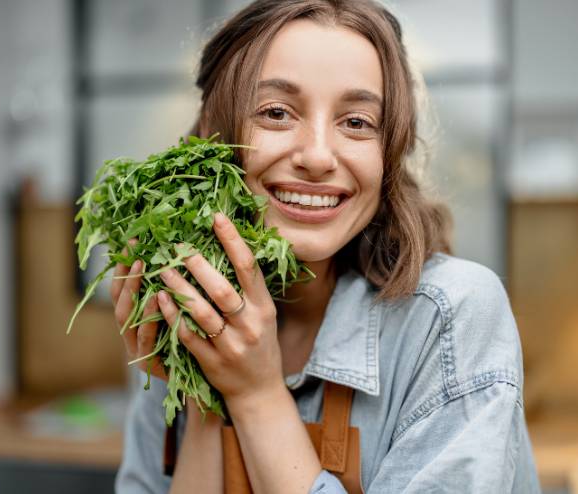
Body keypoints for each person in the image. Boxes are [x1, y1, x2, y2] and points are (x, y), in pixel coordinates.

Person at [111, 0, 542, 492]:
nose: (317, 156)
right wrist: (200, 385)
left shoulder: (450, 317)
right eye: (275, 113)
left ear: (389, 154)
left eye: (357, 122)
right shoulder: (183, 306)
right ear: (212, 139)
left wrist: (255, 395)